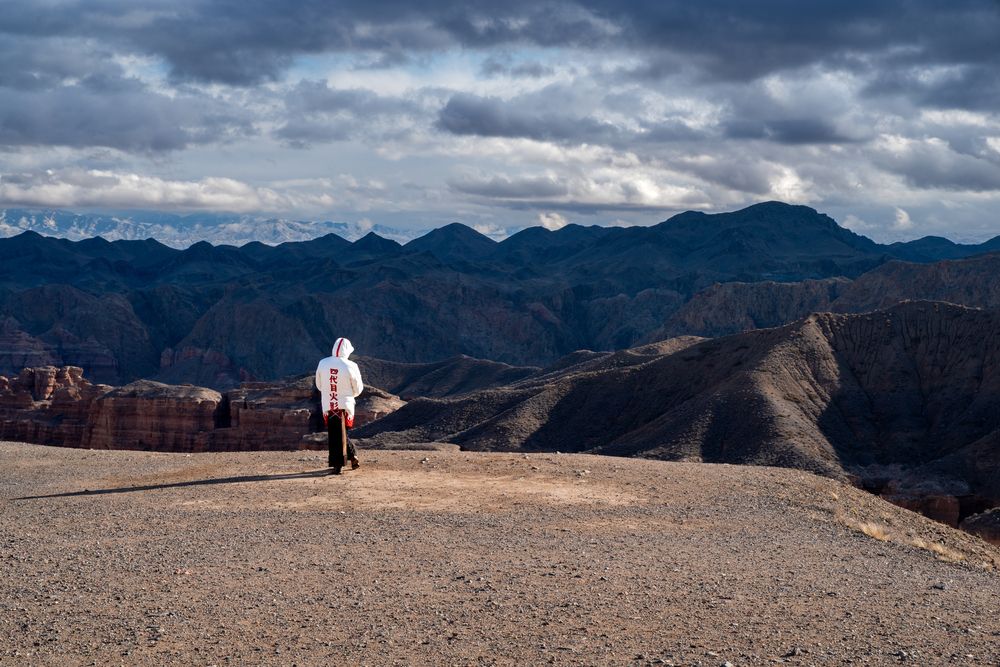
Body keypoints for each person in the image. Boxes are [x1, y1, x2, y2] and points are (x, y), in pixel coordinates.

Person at [315, 337, 364, 475]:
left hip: (329, 405)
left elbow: (319, 385)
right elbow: (358, 388)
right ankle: (349, 458)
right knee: (343, 431)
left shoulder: (322, 363)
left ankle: (340, 462)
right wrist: (350, 395)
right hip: (346, 405)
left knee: (335, 432)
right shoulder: (351, 366)